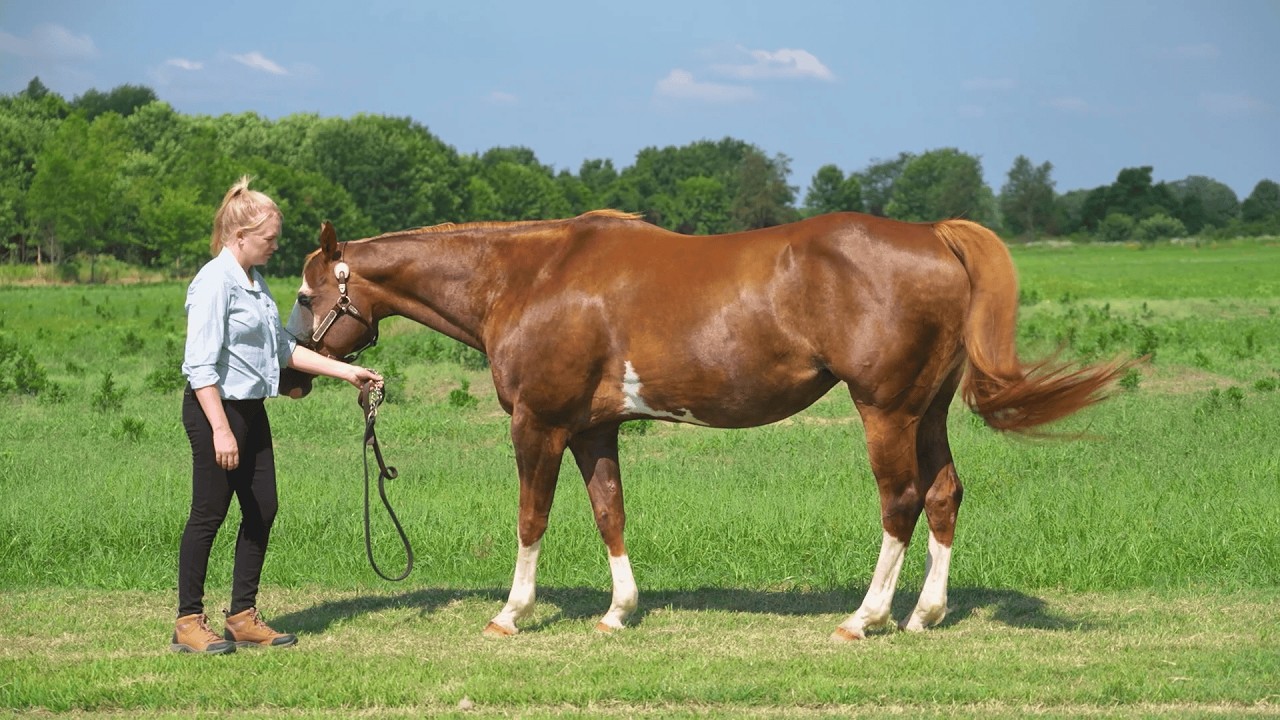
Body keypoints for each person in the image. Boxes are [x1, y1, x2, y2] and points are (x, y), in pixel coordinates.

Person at [173, 176, 382, 654]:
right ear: (240, 236)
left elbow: (283, 350)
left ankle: (242, 616)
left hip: (250, 408)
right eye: (270, 238)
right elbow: (200, 366)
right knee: (208, 514)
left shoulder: (256, 282)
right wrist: (221, 430)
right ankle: (188, 621)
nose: (275, 245)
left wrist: (346, 373)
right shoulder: (212, 283)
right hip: (215, 409)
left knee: (262, 508)